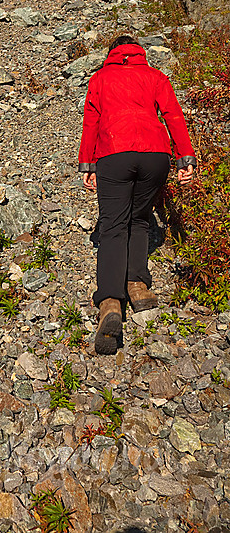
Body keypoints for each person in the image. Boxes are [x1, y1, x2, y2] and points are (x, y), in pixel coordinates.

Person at [78, 35, 196, 355]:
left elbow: (92, 121)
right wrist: (185, 157)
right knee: (140, 219)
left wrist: (87, 163)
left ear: (112, 54)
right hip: (154, 156)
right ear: (139, 52)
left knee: (113, 225)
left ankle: (111, 303)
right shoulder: (155, 76)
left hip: (114, 153)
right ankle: (138, 287)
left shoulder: (101, 78)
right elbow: (173, 115)